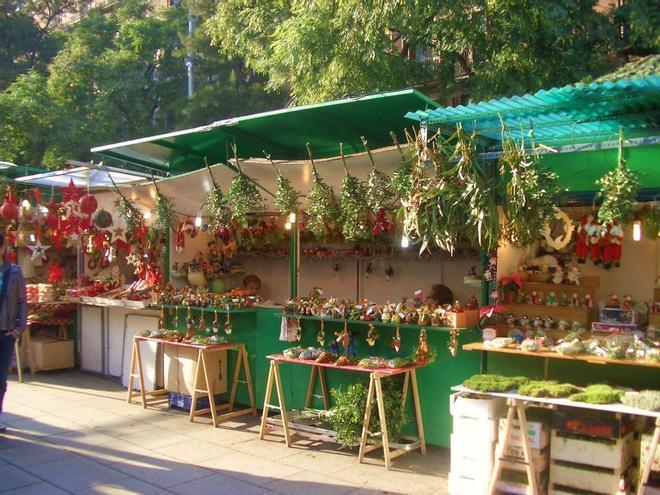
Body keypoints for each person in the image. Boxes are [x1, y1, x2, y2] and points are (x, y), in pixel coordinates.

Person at [0, 233, 27, 433]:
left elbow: (21, 302)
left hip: (6, 333)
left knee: (1, 379)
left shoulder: (14, 273)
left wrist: (18, 329)